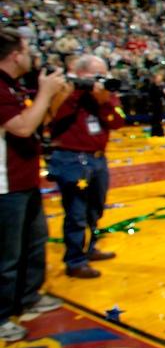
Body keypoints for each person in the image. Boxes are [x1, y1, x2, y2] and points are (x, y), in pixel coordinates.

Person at [0, 28, 67, 342]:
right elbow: (24, 128)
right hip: (4, 184)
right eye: (26, 50)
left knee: (34, 243)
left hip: (24, 179)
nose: (31, 56)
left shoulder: (12, 87)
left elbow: (41, 122)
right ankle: (1, 318)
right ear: (15, 55)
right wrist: (44, 92)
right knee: (7, 255)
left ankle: (28, 297)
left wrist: (54, 97)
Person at [48, 54, 125, 279]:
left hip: (98, 158)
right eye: (96, 76)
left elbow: (118, 121)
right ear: (81, 74)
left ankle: (90, 248)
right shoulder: (64, 90)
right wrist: (78, 92)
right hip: (72, 159)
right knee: (76, 212)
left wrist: (104, 101)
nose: (101, 80)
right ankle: (75, 260)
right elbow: (53, 116)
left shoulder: (105, 95)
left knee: (95, 208)